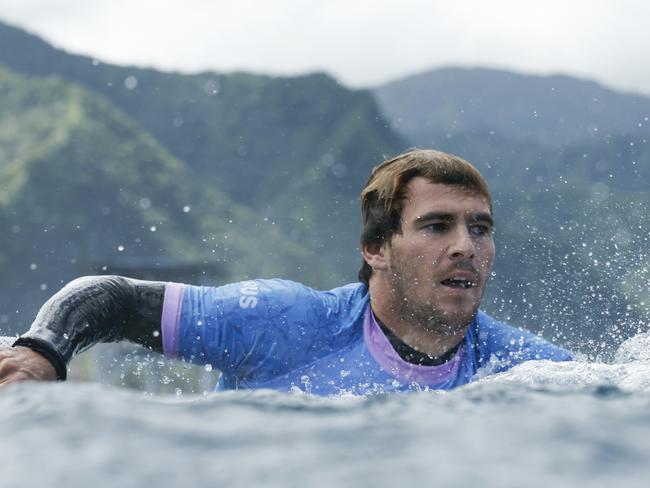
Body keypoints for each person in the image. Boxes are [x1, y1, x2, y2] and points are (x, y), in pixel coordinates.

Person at [0, 149, 572, 393]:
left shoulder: (520, 366)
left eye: (480, 228)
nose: (465, 247)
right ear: (376, 247)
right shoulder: (284, 323)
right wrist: (40, 354)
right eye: (436, 226)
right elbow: (110, 297)